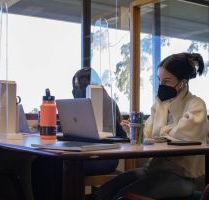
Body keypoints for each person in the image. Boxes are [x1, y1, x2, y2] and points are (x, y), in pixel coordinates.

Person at [93, 52, 209, 200]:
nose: (161, 85)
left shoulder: (196, 105)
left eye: (166, 81)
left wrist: (158, 134)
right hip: (153, 171)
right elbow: (147, 136)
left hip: (182, 177)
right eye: (159, 80)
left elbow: (181, 136)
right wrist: (133, 131)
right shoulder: (159, 105)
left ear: (182, 82)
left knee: (123, 196)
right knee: (106, 191)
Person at [72, 67, 127, 176]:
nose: (75, 91)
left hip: (105, 157)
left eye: (79, 86)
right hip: (87, 152)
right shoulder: (82, 104)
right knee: (45, 162)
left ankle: (71, 193)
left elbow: (120, 136)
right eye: (74, 87)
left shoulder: (105, 102)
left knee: (66, 165)